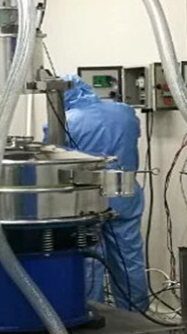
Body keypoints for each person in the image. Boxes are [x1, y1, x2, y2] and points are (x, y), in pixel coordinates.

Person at [57, 75, 148, 312]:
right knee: (129, 258)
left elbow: (54, 159)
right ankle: (137, 316)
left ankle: (92, 312)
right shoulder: (125, 112)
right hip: (125, 191)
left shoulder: (65, 121)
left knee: (90, 260)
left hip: (88, 198)